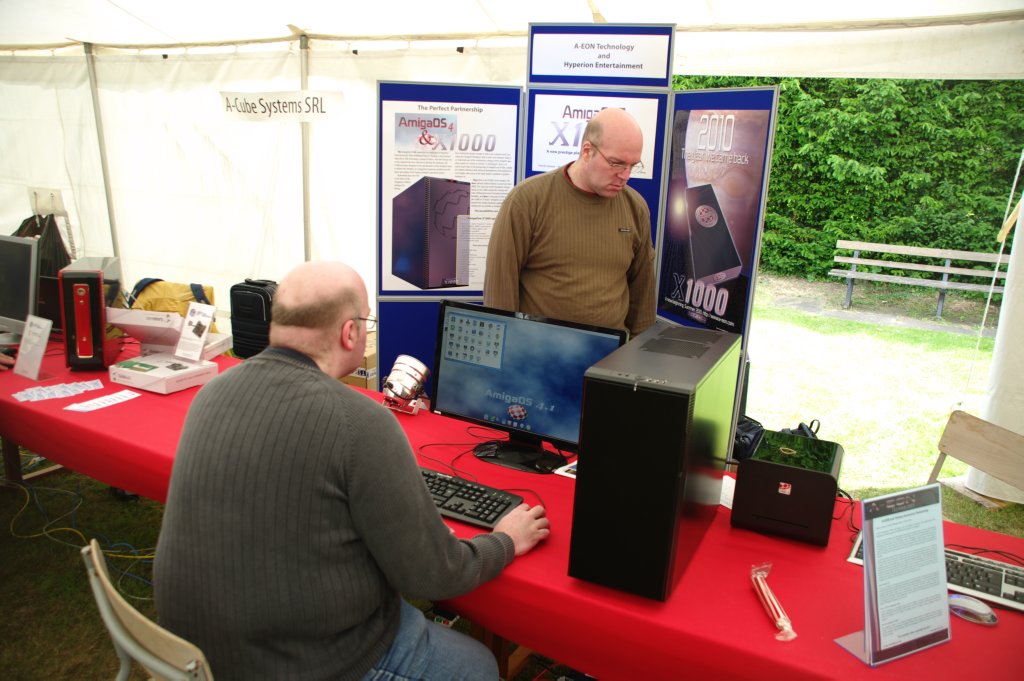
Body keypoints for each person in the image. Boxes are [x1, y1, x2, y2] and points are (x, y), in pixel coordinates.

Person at [153, 261, 549, 681]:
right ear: (349, 332)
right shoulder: (360, 420)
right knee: (478, 666)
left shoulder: (212, 391)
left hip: (185, 650)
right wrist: (507, 540)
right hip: (304, 663)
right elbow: (435, 575)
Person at [484, 106, 656, 337]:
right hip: (539, 358)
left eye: (632, 165)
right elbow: (499, 295)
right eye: (616, 163)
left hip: (610, 362)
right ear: (587, 151)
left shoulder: (635, 207)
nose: (625, 175)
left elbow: (642, 295)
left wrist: (637, 360)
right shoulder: (527, 201)